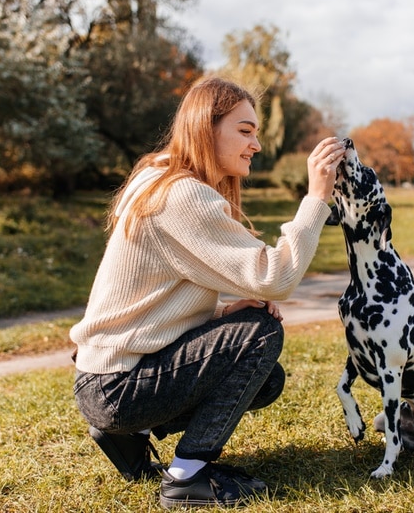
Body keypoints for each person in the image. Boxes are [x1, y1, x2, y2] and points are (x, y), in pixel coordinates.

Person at [70, 76, 345, 509]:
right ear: (205, 127)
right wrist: (317, 198)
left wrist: (220, 312)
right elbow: (276, 278)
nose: (255, 144)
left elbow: (155, 293)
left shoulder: (159, 177)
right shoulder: (182, 196)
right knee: (259, 333)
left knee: (265, 380)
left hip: (104, 378)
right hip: (119, 386)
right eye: (245, 131)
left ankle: (129, 436)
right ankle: (186, 477)